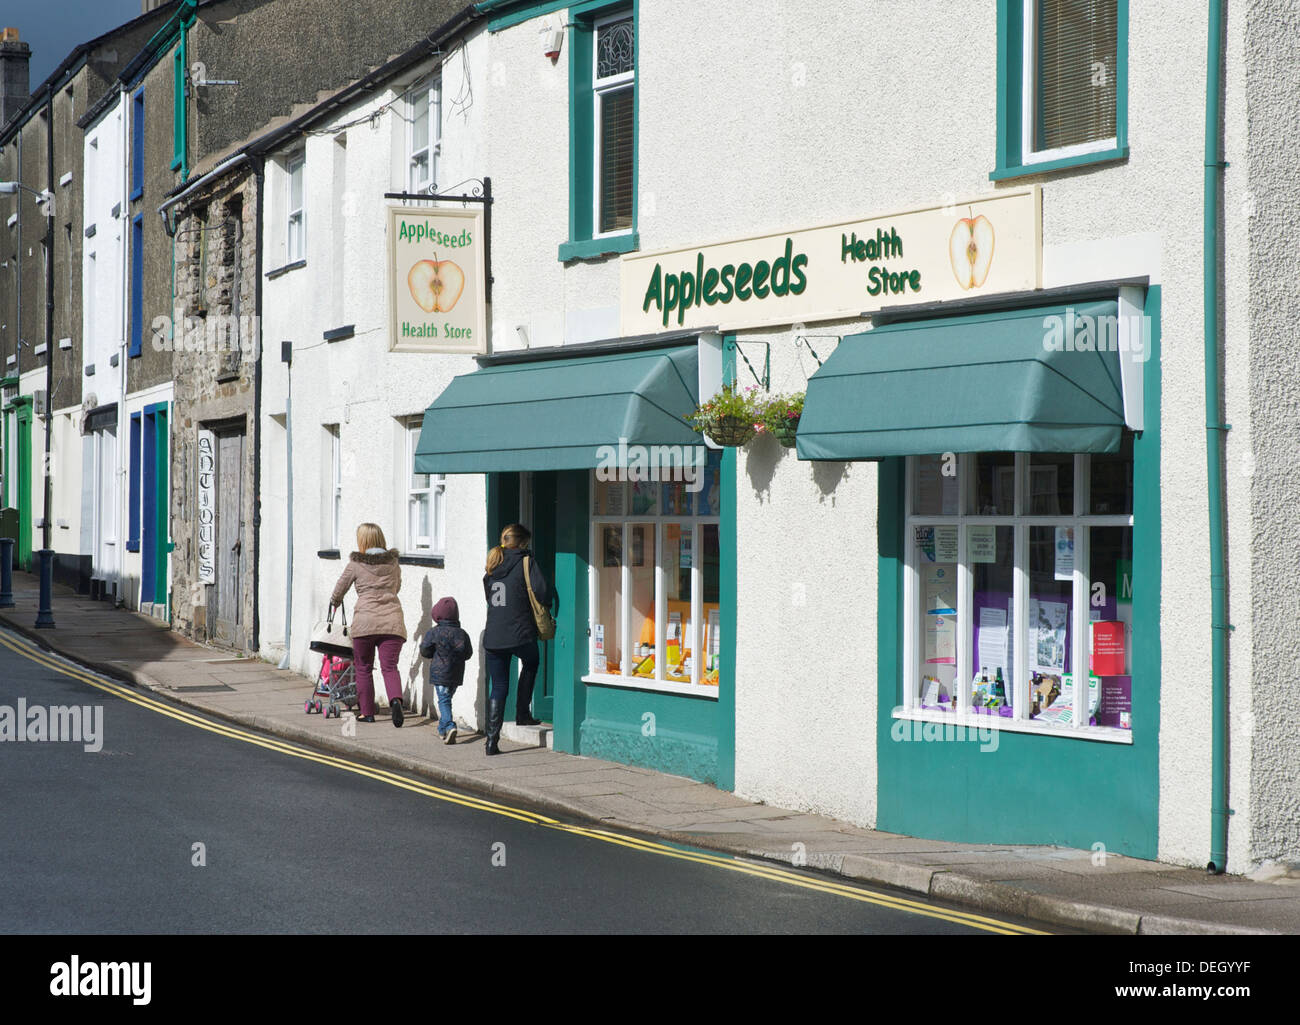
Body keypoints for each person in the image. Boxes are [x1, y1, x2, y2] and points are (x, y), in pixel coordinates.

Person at [482, 523, 551, 755]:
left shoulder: (492, 565)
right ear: (522, 543)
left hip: (494, 634)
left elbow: (488, 597)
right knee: (531, 662)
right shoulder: (525, 561)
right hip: (519, 632)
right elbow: (542, 591)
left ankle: (492, 741)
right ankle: (522, 713)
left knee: (499, 686)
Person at [330, 523, 407, 727]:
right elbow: (397, 587)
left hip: (365, 622)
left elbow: (339, 589)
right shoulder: (393, 563)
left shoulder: (355, 564)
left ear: (362, 541)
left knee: (363, 668)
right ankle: (396, 701)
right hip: (392, 621)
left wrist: (335, 603)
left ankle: (367, 713)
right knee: (389, 667)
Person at [420, 596, 473, 745]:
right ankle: (442, 729)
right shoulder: (462, 634)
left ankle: (450, 726)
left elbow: (424, 650)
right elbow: (468, 653)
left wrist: (433, 655)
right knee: (446, 699)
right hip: (456, 673)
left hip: (439, 672)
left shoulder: (434, 632)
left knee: (443, 700)